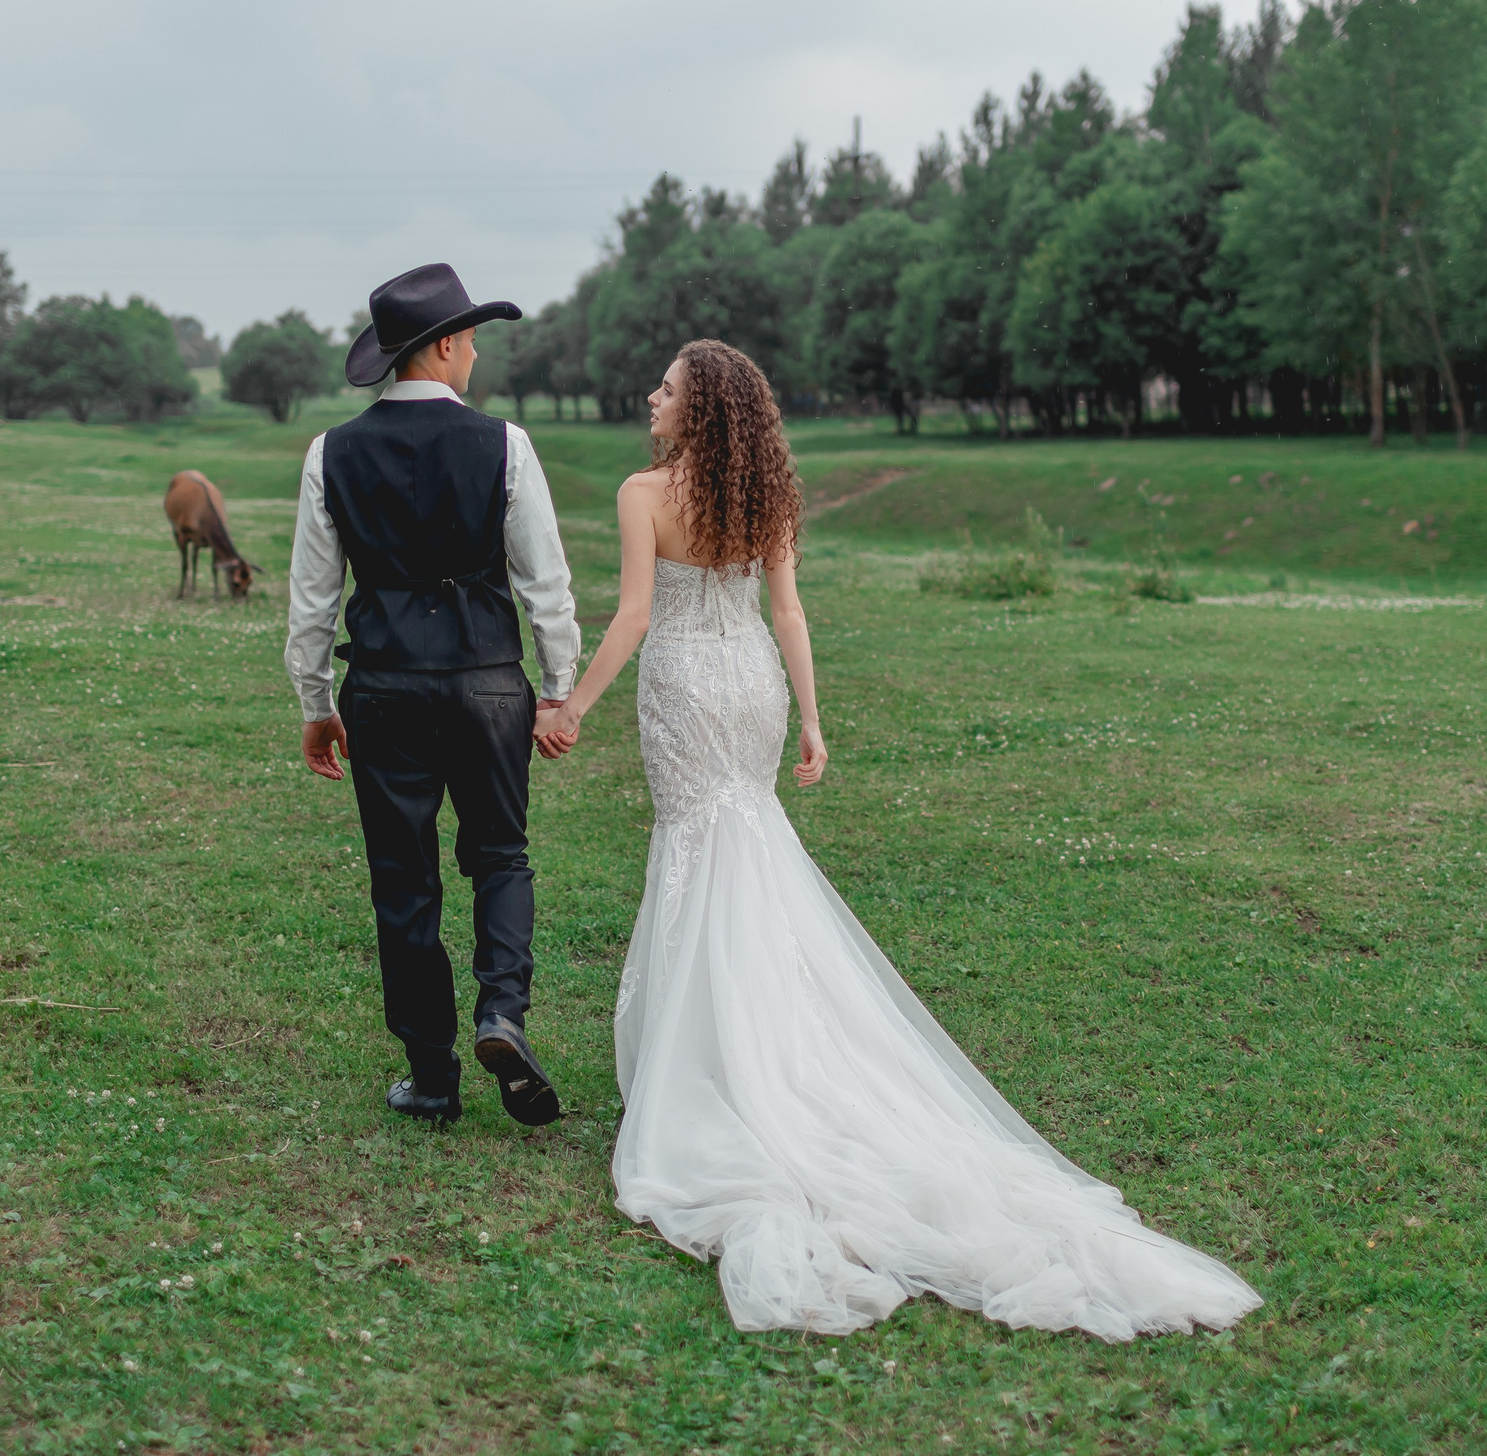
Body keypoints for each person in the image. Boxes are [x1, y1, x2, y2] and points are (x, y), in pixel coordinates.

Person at [536, 339, 1261, 1339]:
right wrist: (812, 718)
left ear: (697, 409)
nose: (649, 398)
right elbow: (787, 611)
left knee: (699, 850)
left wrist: (572, 705)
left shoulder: (642, 494)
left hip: (685, 688)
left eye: (665, 389)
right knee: (748, 843)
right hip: (751, 687)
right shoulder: (763, 493)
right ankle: (749, 1041)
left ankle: (712, 1061)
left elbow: (632, 615)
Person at [286, 264, 582, 1128]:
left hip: (383, 689)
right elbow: (546, 585)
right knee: (501, 855)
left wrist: (316, 704)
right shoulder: (505, 444)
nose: (477, 353)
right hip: (489, 684)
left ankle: (431, 1075)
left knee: (403, 880)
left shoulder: (331, 452)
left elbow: (312, 601)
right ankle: (502, 1012)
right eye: (473, 338)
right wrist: (557, 689)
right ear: (445, 345)